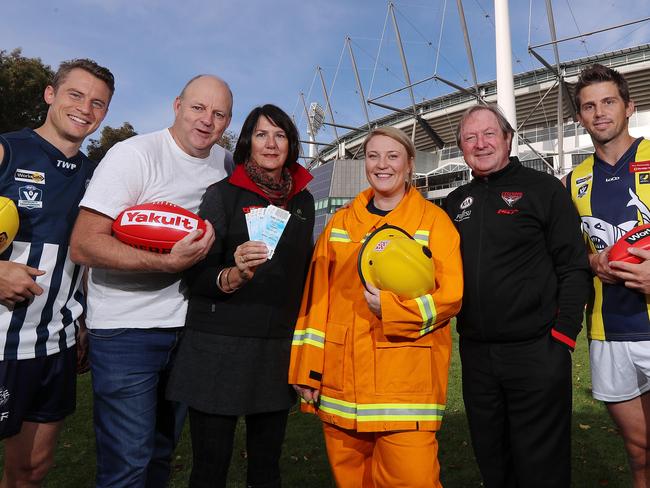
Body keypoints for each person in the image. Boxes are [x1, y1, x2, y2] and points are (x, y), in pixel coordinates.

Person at [69, 74, 233, 488]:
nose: (206, 121)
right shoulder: (134, 155)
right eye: (198, 108)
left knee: (161, 454)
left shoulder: (224, 165)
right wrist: (166, 262)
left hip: (186, 330)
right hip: (127, 331)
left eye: (219, 114)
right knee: (128, 463)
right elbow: (84, 245)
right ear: (176, 105)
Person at [290, 126, 463, 488]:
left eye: (392, 156)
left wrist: (393, 311)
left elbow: (451, 297)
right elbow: (314, 302)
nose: (382, 165)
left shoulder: (434, 222)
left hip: (405, 391)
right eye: (373, 156)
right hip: (340, 391)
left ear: (410, 164)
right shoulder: (339, 224)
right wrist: (307, 370)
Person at [167, 103, 314, 488]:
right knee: (210, 465)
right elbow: (194, 271)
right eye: (262, 134)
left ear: (291, 143)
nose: (270, 143)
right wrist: (231, 275)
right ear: (248, 142)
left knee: (266, 465)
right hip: (219, 345)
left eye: (280, 134)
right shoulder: (223, 194)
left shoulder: (303, 200)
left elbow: (303, 273)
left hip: (275, 348)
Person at [445, 103, 591, 487]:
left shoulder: (542, 189)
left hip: (537, 350)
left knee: (541, 466)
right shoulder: (454, 201)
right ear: (461, 147)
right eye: (470, 137)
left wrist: (562, 336)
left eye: (489, 134)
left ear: (508, 138)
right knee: (493, 461)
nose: (480, 144)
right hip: (476, 355)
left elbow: (574, 266)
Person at [0, 59, 114, 487]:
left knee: (31, 470)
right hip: (0, 339)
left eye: (98, 103)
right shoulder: (8, 150)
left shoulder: (96, 177)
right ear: (50, 94)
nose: (86, 108)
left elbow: (83, 254)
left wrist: (82, 320)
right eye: (76, 94)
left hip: (55, 343)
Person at [566, 63, 650, 487]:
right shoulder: (574, 181)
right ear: (580, 117)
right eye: (588, 106)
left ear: (629, 106)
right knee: (638, 452)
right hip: (607, 332)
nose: (599, 112)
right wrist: (590, 263)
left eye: (608, 102)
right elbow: (567, 256)